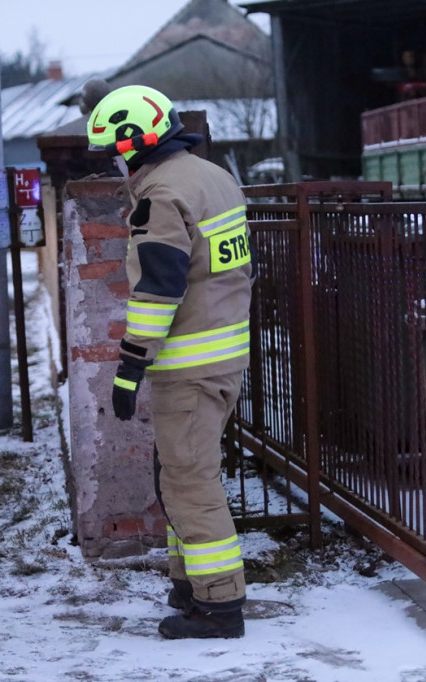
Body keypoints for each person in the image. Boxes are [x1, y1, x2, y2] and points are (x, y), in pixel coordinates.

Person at [86, 84, 254, 639]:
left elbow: (159, 290)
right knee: (182, 474)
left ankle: (219, 606)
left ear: (136, 142)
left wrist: (131, 366)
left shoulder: (162, 194)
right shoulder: (214, 177)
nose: (116, 163)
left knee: (189, 482)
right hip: (225, 357)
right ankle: (190, 587)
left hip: (188, 365)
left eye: (116, 149)